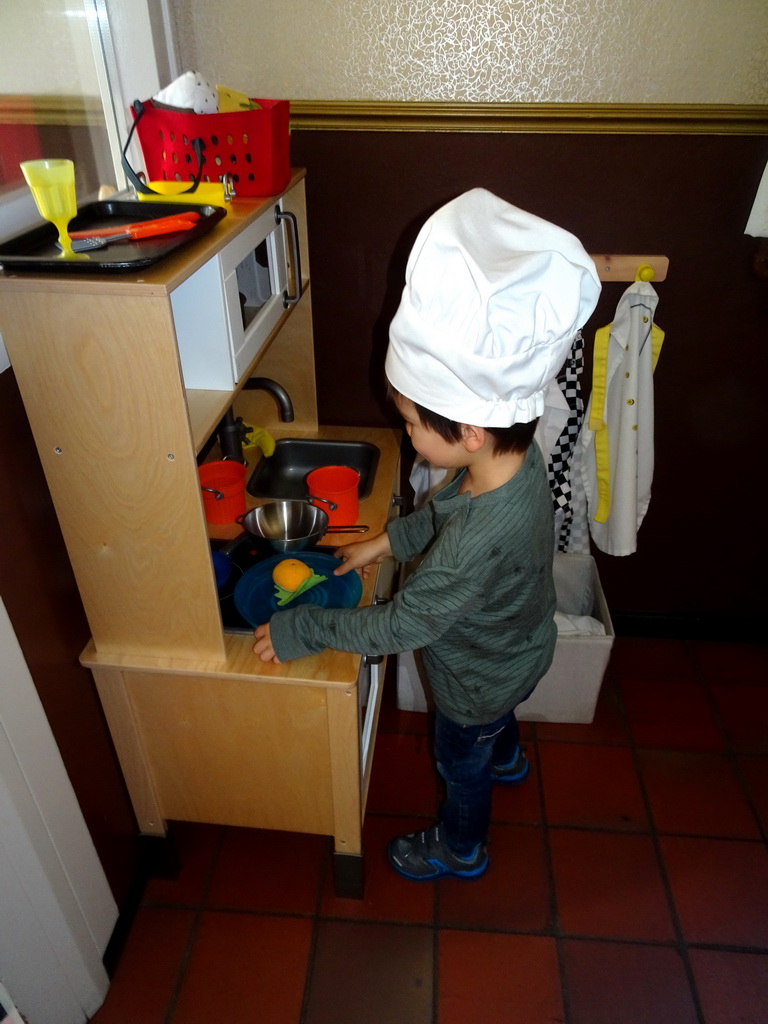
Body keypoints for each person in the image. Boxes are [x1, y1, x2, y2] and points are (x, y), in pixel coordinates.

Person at [253, 188, 601, 881]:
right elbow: (445, 516)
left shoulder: (476, 540)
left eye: (412, 423)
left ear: (469, 431)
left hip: (473, 684)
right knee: (495, 728)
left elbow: (394, 629)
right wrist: (385, 543)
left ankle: (461, 845)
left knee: (458, 763)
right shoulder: (514, 463)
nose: (406, 433)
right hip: (518, 650)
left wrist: (304, 631)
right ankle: (507, 755)